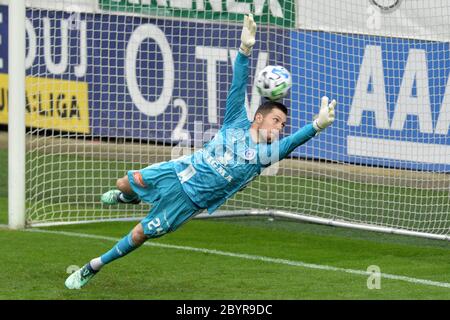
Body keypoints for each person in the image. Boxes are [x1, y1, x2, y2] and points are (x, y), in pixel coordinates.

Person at [65, 13, 336, 290]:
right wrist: (245, 50)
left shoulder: (264, 156)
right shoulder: (236, 120)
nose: (280, 129)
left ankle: (92, 266)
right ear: (258, 118)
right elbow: (237, 84)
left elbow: (293, 142)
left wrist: (316, 125)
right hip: (177, 170)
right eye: (277, 121)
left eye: (283, 125)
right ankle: (128, 197)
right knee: (122, 183)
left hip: (189, 202)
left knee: (140, 233)